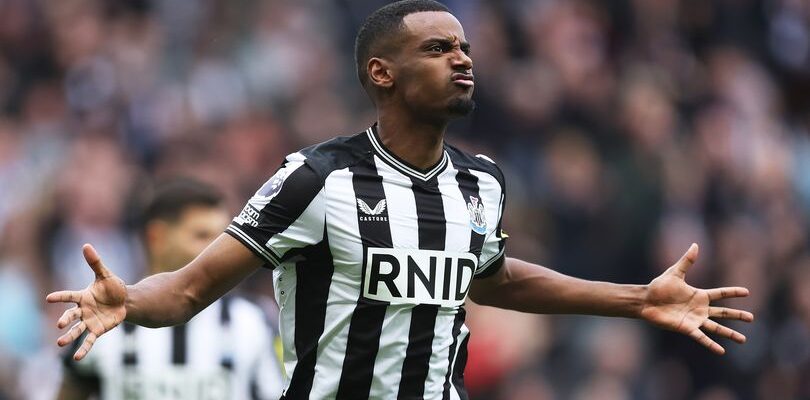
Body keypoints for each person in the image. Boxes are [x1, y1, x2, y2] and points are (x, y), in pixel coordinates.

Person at [47, 1, 754, 399]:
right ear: (382, 73)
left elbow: (495, 279)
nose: (463, 58)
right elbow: (189, 290)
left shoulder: (481, 183)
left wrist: (638, 299)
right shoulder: (316, 178)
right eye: (438, 49)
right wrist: (127, 300)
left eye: (464, 46)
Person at [56, 179, 284, 400]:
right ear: (157, 237)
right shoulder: (104, 321)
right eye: (202, 235)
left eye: (224, 238)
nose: (220, 250)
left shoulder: (255, 321)